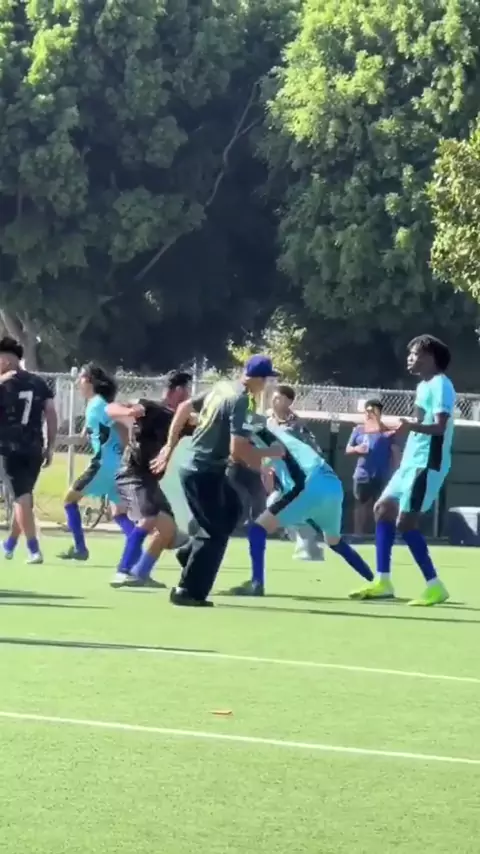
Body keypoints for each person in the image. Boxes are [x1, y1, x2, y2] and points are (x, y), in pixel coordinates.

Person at [154, 355, 285, 607]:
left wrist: (170, 446)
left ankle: (189, 553)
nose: (268, 385)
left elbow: (184, 408)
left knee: (233, 508)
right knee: (215, 533)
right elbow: (238, 450)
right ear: (259, 379)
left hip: (197, 467)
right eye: (268, 379)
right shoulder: (242, 400)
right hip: (204, 471)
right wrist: (270, 454)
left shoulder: (223, 387)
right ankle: (187, 591)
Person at [350, 335, 455, 606]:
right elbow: (418, 422)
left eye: (415, 353)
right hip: (411, 462)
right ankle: (383, 581)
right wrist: (395, 429)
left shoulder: (441, 385)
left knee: (406, 523)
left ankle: (435, 586)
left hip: (427, 464)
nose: (410, 358)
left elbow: (439, 428)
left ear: (430, 357)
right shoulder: (423, 386)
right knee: (382, 509)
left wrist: (411, 427)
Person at [243, 417, 375, 593]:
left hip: (309, 485)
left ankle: (256, 583)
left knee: (257, 529)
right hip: (333, 486)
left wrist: (249, 453)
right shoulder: (293, 442)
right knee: (334, 541)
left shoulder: (261, 432)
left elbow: (273, 452)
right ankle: (375, 580)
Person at [106, 370, 195, 587]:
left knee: (167, 529)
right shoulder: (149, 407)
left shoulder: (181, 419)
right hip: (132, 474)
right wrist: (130, 411)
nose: (190, 394)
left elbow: (202, 424)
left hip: (150, 480)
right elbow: (110, 409)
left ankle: (140, 573)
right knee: (148, 518)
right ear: (179, 390)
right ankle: (122, 571)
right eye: (188, 389)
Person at [59, 363, 131, 562]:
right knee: (119, 513)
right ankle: (137, 550)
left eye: (81, 378)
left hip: (103, 464)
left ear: (90, 381)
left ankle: (80, 549)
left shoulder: (99, 404)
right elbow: (95, 431)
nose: (78, 382)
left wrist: (126, 448)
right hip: (115, 465)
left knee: (69, 500)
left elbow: (121, 425)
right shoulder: (94, 404)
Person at [0, 336, 57, 564]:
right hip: (34, 448)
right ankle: (10, 544)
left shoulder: (3, 384)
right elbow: (51, 414)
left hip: (8, 448)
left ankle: (33, 548)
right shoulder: (38, 382)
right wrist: (51, 446)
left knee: (21, 499)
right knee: (23, 498)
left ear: (5, 360)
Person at [268, 384, 324, 561]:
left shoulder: (296, 424)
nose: (274, 400)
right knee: (275, 505)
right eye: (273, 397)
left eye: (279, 398)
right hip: (280, 473)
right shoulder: (268, 421)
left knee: (280, 504)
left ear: (289, 401)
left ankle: (307, 544)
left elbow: (313, 447)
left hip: (298, 472)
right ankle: (308, 545)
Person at [346, 399, 400, 535]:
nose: (369, 414)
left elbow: (395, 453)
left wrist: (396, 473)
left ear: (379, 413)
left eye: (372, 411)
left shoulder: (387, 432)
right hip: (363, 474)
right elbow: (348, 449)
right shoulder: (358, 430)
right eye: (367, 411)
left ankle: (381, 535)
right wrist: (357, 449)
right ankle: (358, 534)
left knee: (382, 506)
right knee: (361, 504)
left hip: (382, 474)